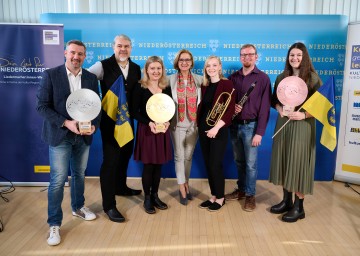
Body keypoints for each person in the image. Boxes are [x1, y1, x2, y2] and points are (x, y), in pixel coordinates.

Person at [36, 40, 101, 246]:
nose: (76, 57)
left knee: (80, 174)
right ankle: (54, 224)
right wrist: (66, 123)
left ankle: (78, 207)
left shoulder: (91, 78)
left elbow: (96, 106)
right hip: (60, 135)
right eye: (73, 53)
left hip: (83, 136)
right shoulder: (51, 75)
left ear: (84, 56)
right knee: (58, 180)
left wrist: (94, 126)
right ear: (65, 53)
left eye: (80, 54)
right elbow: (42, 106)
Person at [88, 34, 141, 223]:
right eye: (119, 46)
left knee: (125, 155)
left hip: (128, 123)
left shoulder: (136, 68)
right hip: (110, 123)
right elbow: (85, 79)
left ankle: (121, 187)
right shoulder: (102, 66)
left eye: (127, 46)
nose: (123, 49)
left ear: (131, 48)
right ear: (113, 47)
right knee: (110, 162)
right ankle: (109, 205)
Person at [269, 42, 322, 222]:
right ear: (288, 57)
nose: (295, 58)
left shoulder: (313, 79)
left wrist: (305, 114)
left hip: (302, 126)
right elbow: (273, 100)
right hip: (284, 123)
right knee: (285, 160)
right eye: (292, 55)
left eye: (298, 55)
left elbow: (323, 106)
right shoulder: (281, 77)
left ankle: (299, 207)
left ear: (304, 57)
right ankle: (287, 201)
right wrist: (279, 109)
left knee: (298, 163)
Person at [225, 44, 271, 212]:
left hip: (251, 127)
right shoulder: (232, 78)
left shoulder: (263, 78)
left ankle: (251, 195)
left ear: (256, 56)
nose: (247, 57)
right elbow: (226, 103)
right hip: (234, 126)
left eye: (250, 54)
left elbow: (265, 107)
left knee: (251, 164)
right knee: (239, 162)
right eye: (243, 55)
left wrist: (259, 133)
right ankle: (242, 190)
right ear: (240, 57)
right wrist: (233, 108)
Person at [132, 56, 173, 214]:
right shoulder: (139, 87)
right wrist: (149, 123)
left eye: (158, 68)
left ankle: (155, 195)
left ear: (162, 70)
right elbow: (134, 112)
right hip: (147, 130)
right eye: (152, 68)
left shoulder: (166, 86)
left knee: (158, 165)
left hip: (162, 130)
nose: (156, 71)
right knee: (149, 165)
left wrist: (168, 122)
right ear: (146, 70)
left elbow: (169, 110)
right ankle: (147, 198)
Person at [197, 56, 235, 212]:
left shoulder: (227, 84)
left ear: (220, 67)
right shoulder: (204, 85)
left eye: (214, 65)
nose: (211, 68)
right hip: (203, 130)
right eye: (208, 66)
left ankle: (220, 198)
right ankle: (213, 195)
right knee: (208, 164)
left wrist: (215, 128)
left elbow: (229, 110)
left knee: (215, 164)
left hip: (218, 130)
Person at [168, 49, 203, 205]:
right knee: (179, 156)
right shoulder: (169, 80)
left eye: (187, 59)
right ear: (177, 61)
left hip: (194, 124)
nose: (184, 62)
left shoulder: (200, 79)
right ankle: (182, 188)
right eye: (181, 59)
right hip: (177, 123)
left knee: (188, 156)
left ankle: (186, 183)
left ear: (191, 62)